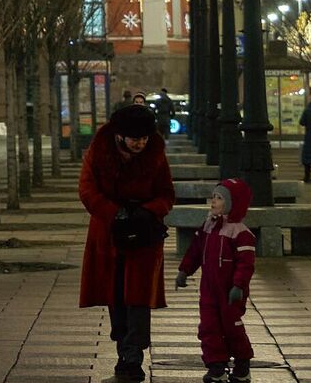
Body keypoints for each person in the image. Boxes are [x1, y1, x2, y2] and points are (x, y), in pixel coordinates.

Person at [79, 103, 175, 382]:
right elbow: (87, 190)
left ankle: (133, 356)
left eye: (144, 138)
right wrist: (114, 213)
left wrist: (147, 211)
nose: (141, 143)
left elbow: (167, 194)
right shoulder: (99, 153)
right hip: (108, 234)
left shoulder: (155, 153)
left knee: (138, 297)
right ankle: (124, 351)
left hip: (144, 234)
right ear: (120, 136)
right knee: (115, 295)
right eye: (135, 139)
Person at [176, 178, 257, 383]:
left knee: (232, 327)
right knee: (209, 326)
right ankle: (216, 366)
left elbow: (245, 264)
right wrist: (184, 271)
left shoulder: (240, 233)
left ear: (232, 203)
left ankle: (242, 364)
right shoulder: (208, 227)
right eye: (213, 196)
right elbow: (195, 250)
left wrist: (238, 285)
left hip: (230, 291)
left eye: (219, 198)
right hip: (209, 289)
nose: (213, 201)